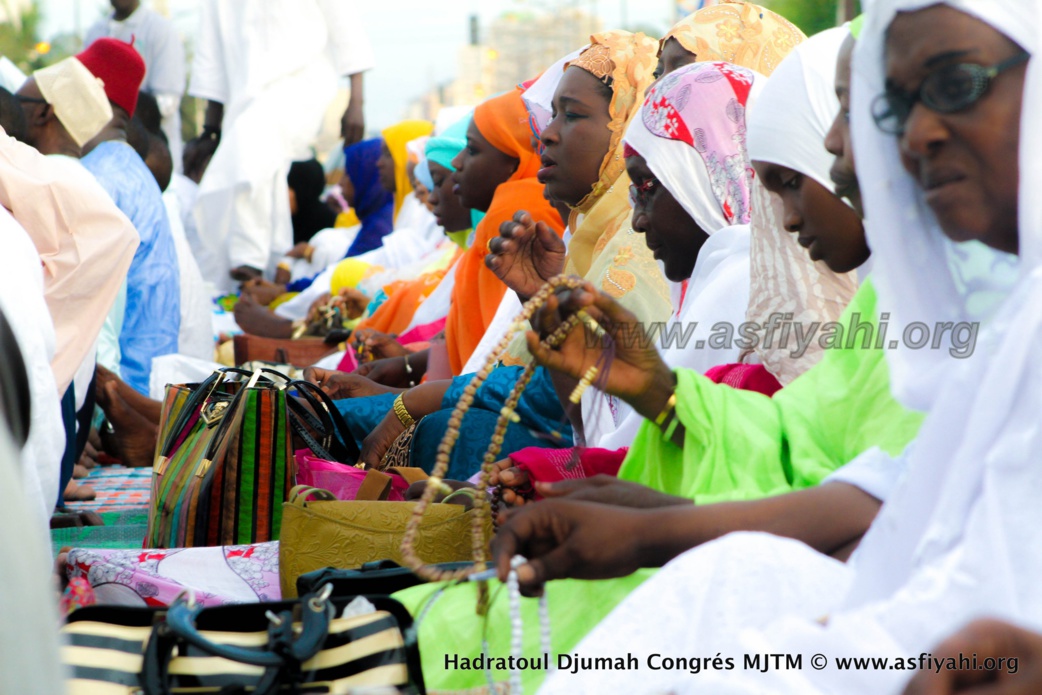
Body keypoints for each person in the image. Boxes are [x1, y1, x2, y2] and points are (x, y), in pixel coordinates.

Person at [525, 2, 1033, 692]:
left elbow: (885, 518)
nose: (905, 138)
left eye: (952, 84)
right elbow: (882, 485)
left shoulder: (977, 306)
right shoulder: (987, 306)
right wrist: (657, 418)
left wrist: (665, 516)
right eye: (891, 108)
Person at [11, 54, 139, 503]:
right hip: (67, 414)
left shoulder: (39, 179)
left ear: (43, 110)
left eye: (18, 99)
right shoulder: (81, 175)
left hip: (52, 419)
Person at [189, 0, 376, 289]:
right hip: (244, 97)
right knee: (260, 168)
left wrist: (357, 101)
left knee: (252, 144)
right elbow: (210, 52)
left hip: (303, 80)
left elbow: (345, 24)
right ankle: (273, 263)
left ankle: (249, 256)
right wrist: (211, 128)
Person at [77, 38, 182, 396]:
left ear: (90, 93)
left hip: (121, 392)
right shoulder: (127, 166)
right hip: (144, 384)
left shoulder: (99, 175)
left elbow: (93, 313)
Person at [85, 0, 186, 169]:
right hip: (101, 150)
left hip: (153, 155)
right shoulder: (96, 32)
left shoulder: (160, 29)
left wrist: (123, 119)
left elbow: (168, 100)